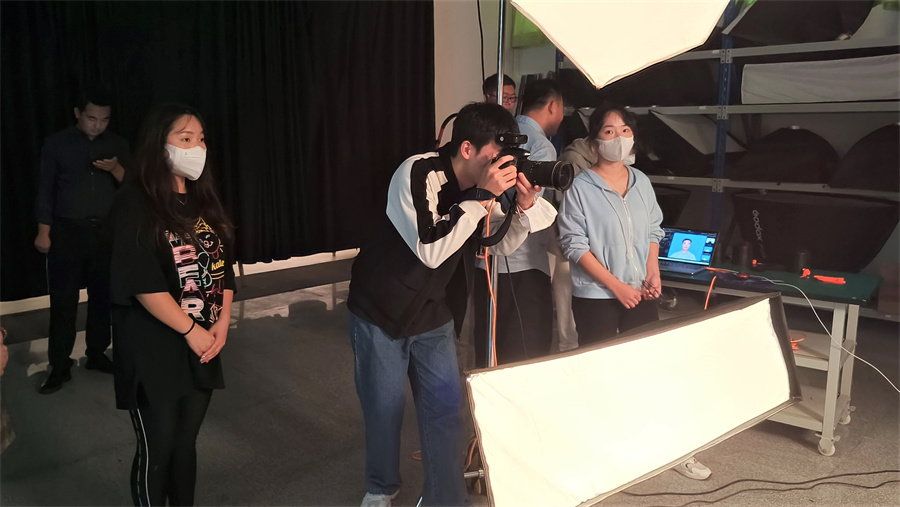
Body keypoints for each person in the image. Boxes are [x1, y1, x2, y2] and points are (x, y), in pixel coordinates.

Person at [347, 102, 556, 507]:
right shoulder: (418, 172)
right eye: (496, 156)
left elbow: (493, 245)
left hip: (433, 312)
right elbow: (431, 247)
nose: (503, 167)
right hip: (379, 309)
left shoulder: (482, 189)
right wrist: (482, 198)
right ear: (466, 149)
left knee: (445, 408)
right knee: (384, 408)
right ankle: (381, 488)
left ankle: (445, 499)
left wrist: (522, 207)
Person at [557, 104, 712, 481]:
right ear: (595, 142)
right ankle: (600, 453)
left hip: (640, 292)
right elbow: (574, 245)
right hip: (596, 296)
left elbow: (654, 230)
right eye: (609, 131)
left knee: (649, 366)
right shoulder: (580, 187)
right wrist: (615, 286)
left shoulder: (641, 181)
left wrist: (652, 271)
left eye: (624, 130)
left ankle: (667, 448)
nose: (618, 137)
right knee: (599, 373)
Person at [109, 103, 235, 506]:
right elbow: (141, 282)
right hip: (155, 344)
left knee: (185, 443)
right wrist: (191, 330)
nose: (197, 147)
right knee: (159, 448)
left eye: (201, 139)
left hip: (202, 343)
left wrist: (222, 322)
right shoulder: (135, 202)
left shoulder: (204, 200)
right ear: (158, 145)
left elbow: (223, 267)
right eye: (185, 138)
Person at [34, 89, 130, 394]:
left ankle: (97, 353)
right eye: (92, 118)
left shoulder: (117, 144)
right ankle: (59, 365)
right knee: (63, 301)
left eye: (104, 119)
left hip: (105, 232)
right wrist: (43, 231)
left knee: (103, 297)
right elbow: (45, 188)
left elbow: (134, 187)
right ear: (78, 113)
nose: (98, 124)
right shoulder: (57, 143)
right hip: (67, 232)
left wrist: (116, 168)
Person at [473, 79, 564, 367]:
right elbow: (532, 211)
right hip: (523, 265)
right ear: (554, 106)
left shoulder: (493, 138)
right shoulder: (540, 147)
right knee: (526, 353)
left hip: (483, 263)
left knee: (488, 347)